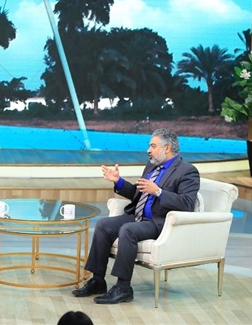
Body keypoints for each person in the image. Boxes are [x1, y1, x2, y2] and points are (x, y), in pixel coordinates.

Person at [72, 128, 200, 304]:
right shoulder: (151, 166)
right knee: (103, 225)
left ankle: (123, 287)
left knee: (128, 230)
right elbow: (137, 195)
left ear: (167, 148)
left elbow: (187, 204)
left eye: (153, 146)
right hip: (138, 216)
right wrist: (118, 182)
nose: (148, 150)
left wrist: (158, 192)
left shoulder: (187, 171)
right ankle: (98, 281)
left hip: (159, 222)